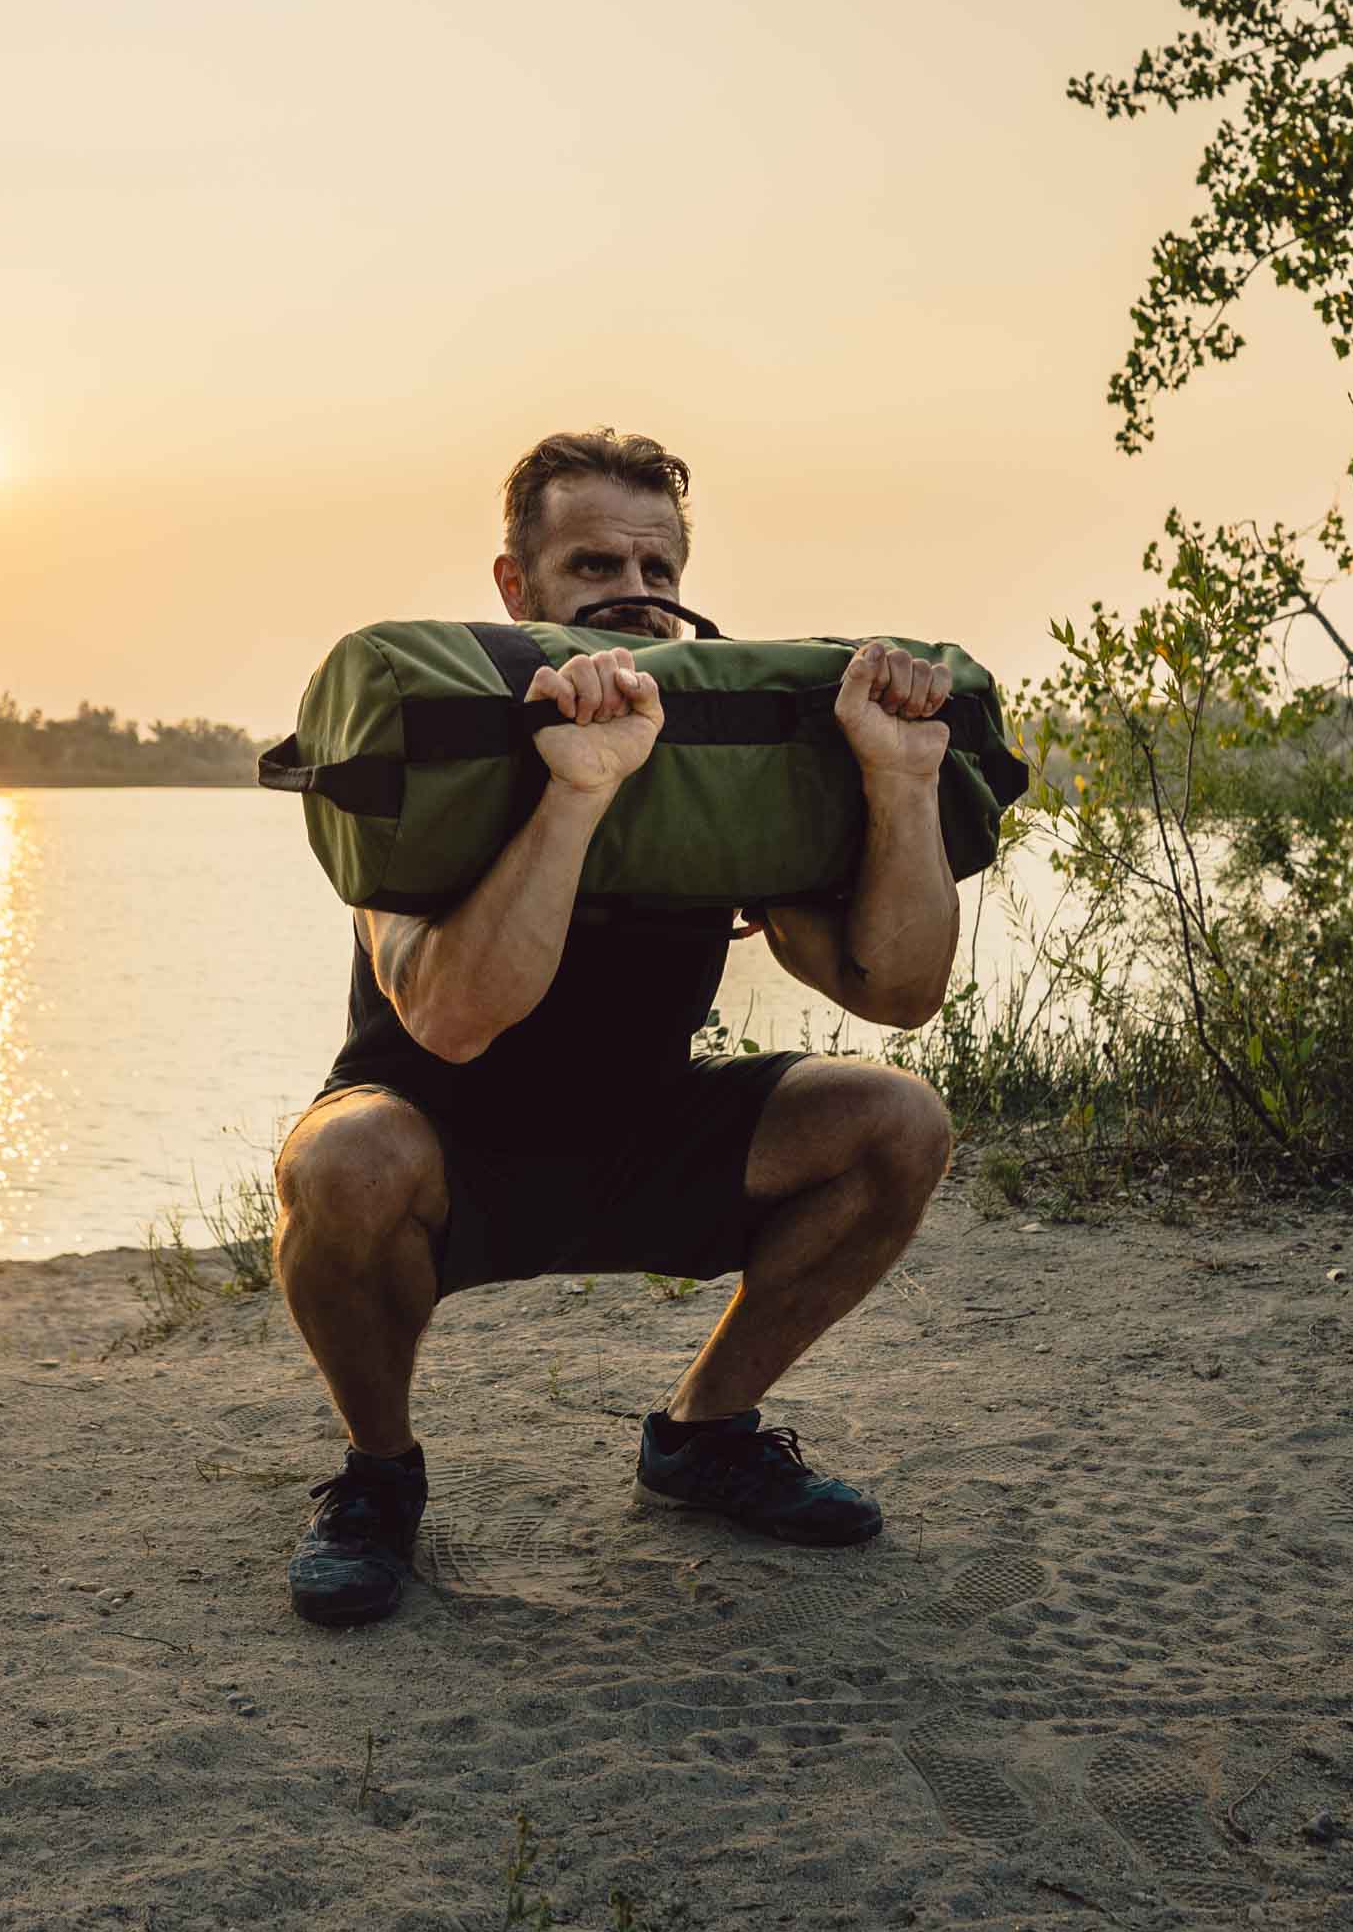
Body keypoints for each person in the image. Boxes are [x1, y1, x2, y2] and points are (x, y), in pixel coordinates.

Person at [273, 428, 962, 1627]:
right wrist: (577, 786)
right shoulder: (428, 747)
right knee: (343, 1159)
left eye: (657, 576)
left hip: (641, 1135)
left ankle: (702, 1438)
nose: (633, 600)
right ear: (514, 585)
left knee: (895, 1122)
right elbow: (446, 1017)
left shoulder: (712, 757)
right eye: (594, 568)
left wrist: (899, 783)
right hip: (438, 1146)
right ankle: (378, 1479)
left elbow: (894, 988)